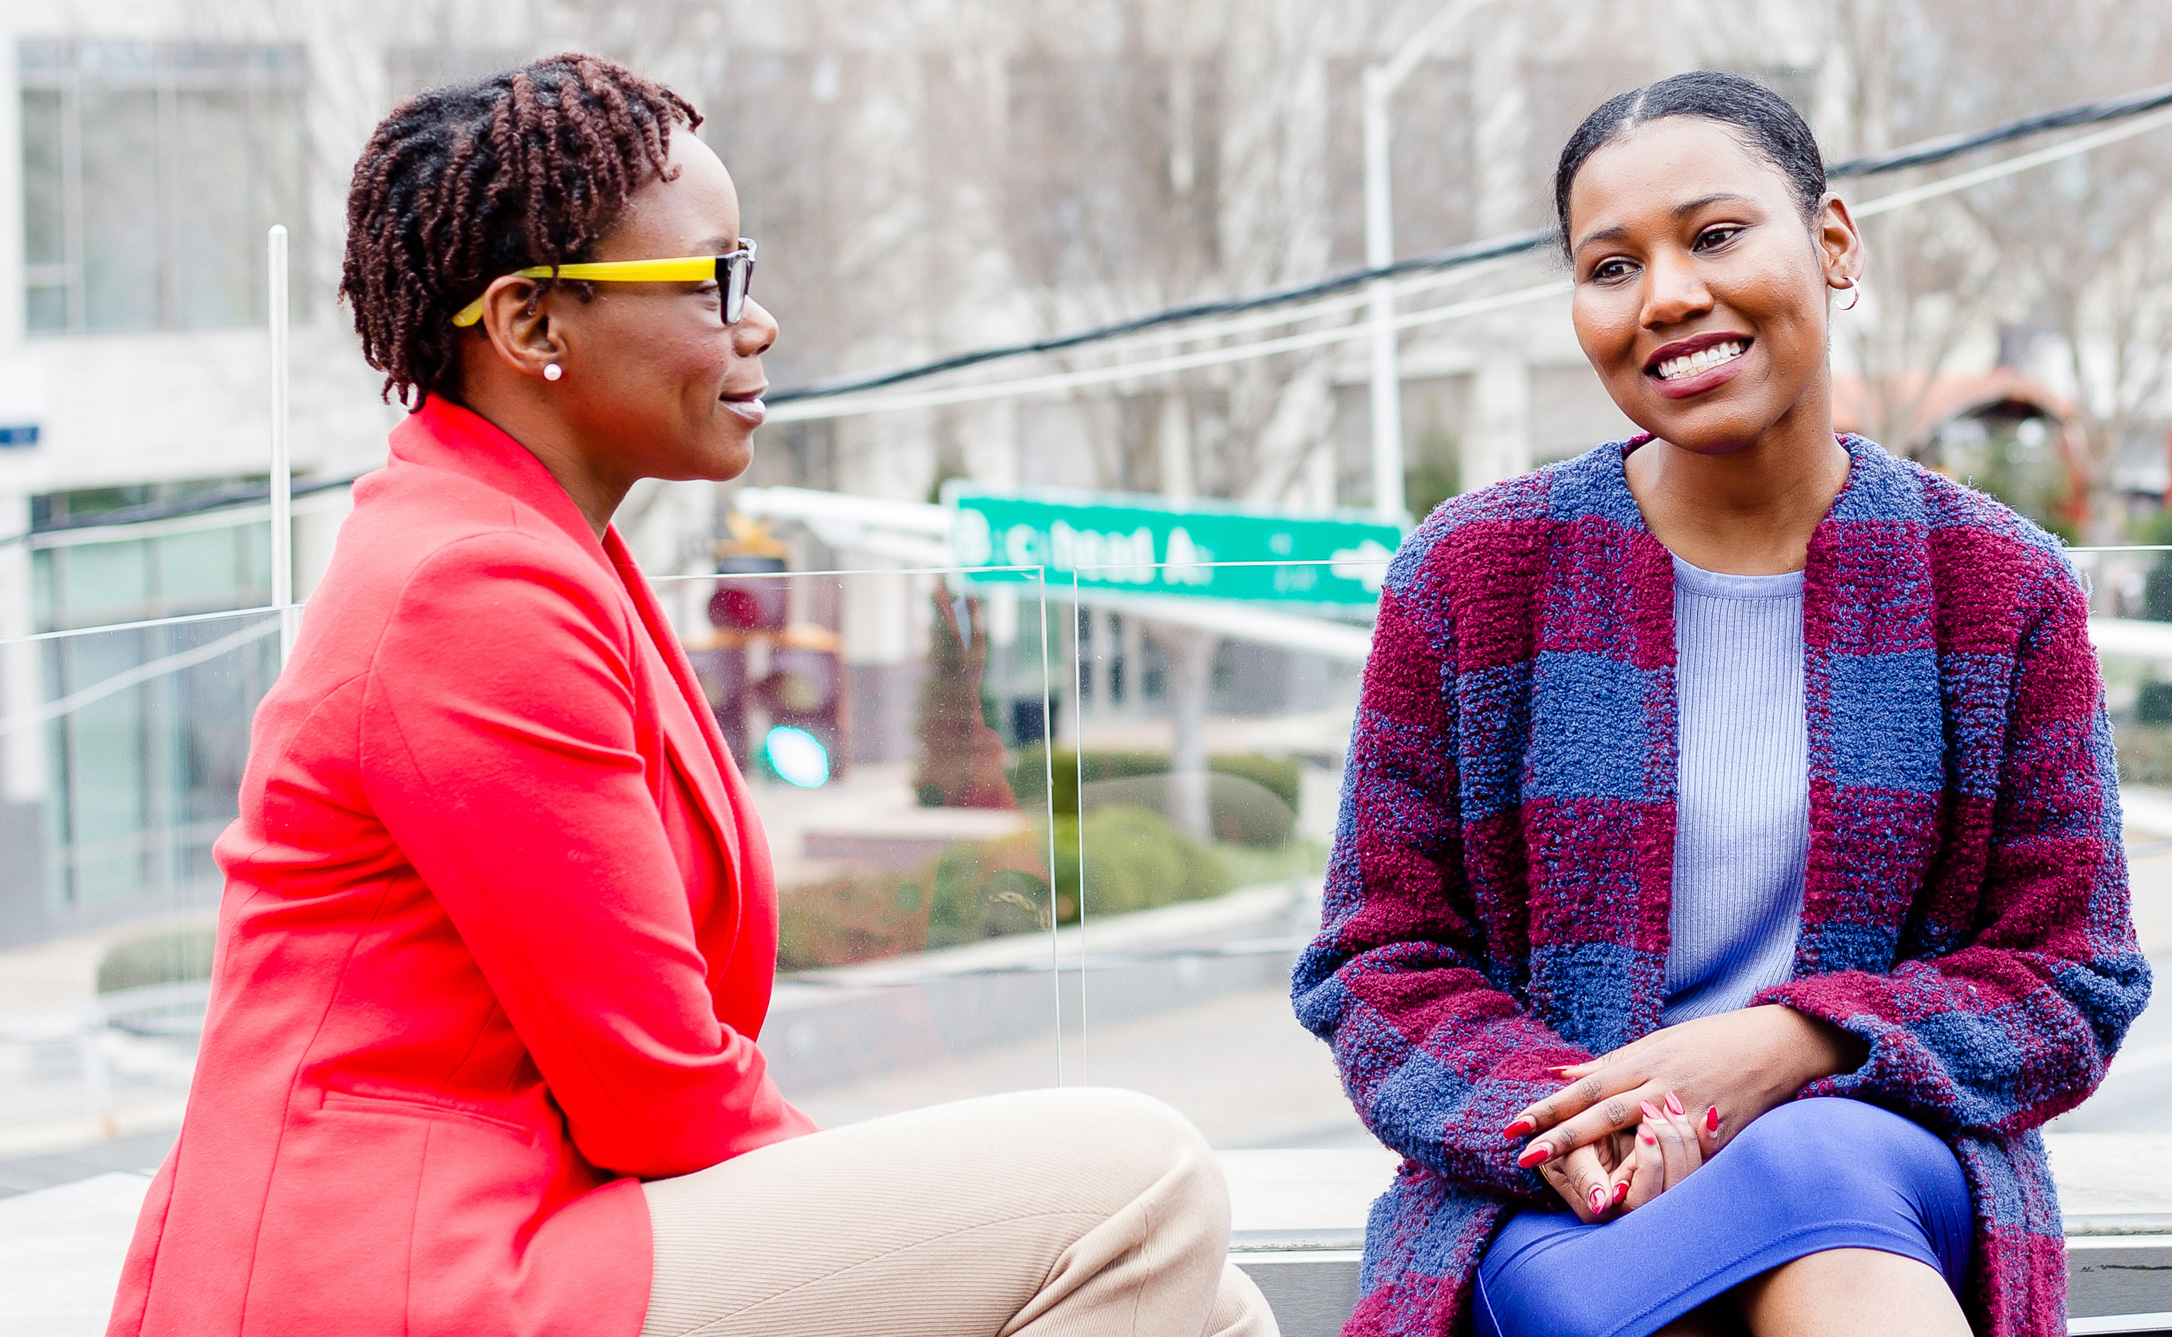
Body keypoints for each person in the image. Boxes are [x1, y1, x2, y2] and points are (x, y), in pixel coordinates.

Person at [105, 53, 1275, 1337]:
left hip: (511, 1223)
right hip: (398, 1272)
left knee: (1212, 1303)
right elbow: (657, 1090)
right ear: (531, 327)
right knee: (1137, 1174)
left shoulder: (524, 544)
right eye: (715, 279)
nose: (757, 322)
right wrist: (896, 1224)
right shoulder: (470, 588)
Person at [1293, 69, 2150, 1337]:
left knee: (1816, 1176)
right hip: (1550, 1184)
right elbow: (1380, 959)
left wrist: (1793, 1044)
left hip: (1879, 1156)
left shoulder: (1995, 583)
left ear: (1833, 242)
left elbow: (2071, 974)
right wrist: (1570, 1119)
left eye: (1715, 234)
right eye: (1610, 265)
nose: (1668, 295)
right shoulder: (1478, 574)